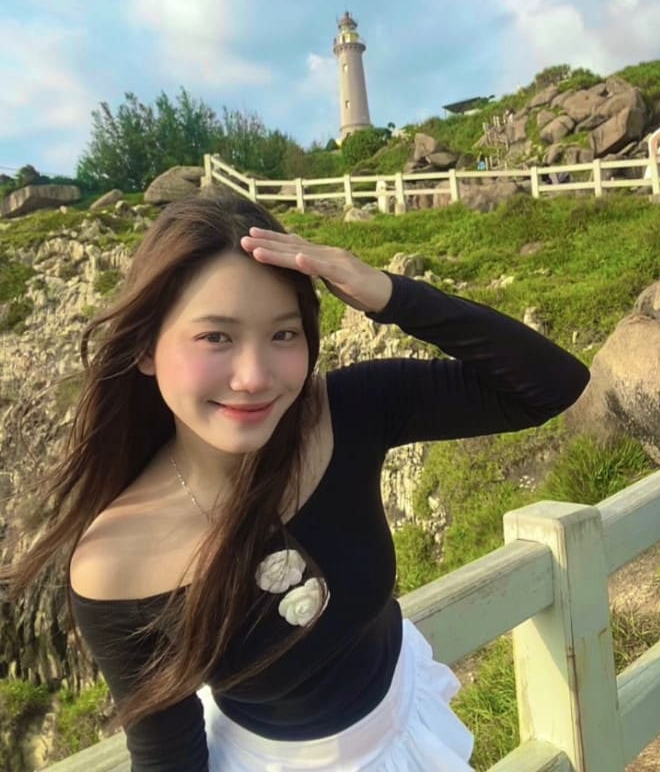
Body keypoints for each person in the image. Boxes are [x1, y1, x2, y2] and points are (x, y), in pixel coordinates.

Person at [4, 191, 590, 771]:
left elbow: (548, 386)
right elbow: (167, 755)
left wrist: (388, 294)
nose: (254, 377)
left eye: (283, 334)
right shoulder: (115, 563)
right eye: (216, 337)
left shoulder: (341, 414)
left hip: (409, 717)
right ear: (145, 348)